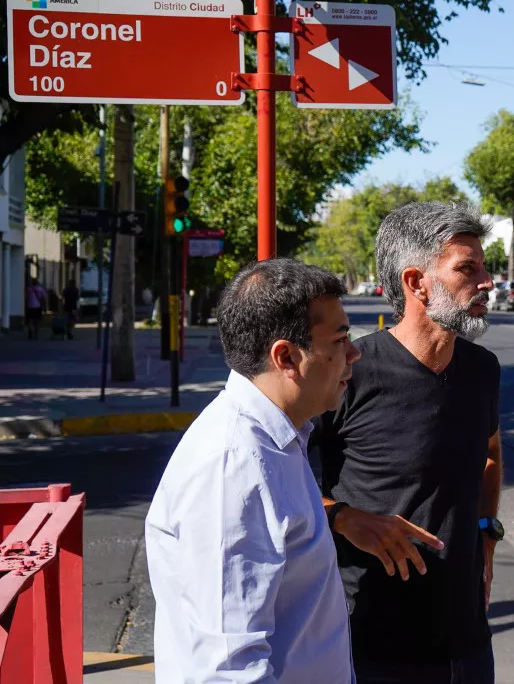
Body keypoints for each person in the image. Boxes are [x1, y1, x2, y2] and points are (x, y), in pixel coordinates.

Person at [145, 258, 360, 684]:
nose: (354, 353)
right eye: (340, 339)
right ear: (286, 356)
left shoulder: (276, 439)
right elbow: (227, 668)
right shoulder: (235, 467)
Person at [312, 201, 502, 684]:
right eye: (467, 268)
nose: (487, 281)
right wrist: (345, 517)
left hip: (467, 640)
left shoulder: (482, 370)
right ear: (416, 283)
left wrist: (487, 527)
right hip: (369, 636)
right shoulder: (350, 371)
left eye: (485, 266)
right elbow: (286, 484)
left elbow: (490, 454)